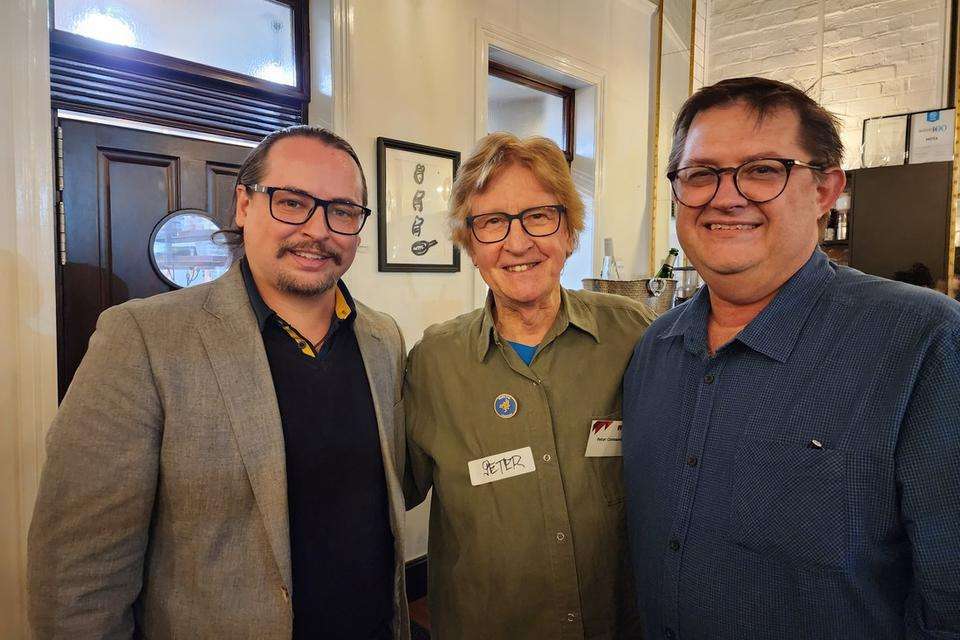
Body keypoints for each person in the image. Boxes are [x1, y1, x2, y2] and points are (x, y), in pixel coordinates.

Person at [28, 126, 409, 639]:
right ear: (244, 205)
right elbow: (79, 575)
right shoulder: (144, 339)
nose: (318, 229)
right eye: (292, 202)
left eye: (342, 211)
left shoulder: (383, 340)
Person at [623, 76, 960, 639]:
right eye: (700, 174)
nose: (725, 196)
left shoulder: (922, 343)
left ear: (826, 190)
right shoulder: (653, 350)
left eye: (762, 170)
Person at [404, 132, 657, 639]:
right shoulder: (434, 362)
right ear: (470, 245)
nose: (518, 243)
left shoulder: (633, 334)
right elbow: (389, 491)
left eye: (539, 216)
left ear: (569, 231)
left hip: (620, 622)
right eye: (492, 222)